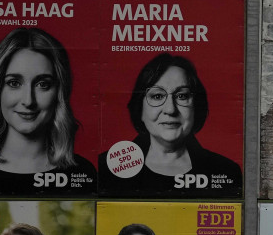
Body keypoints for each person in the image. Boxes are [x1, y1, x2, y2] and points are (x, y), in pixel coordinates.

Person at [0, 27, 94, 191]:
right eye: (14, 83)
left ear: (59, 93)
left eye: (43, 84)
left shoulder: (82, 172)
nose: (28, 100)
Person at [99, 53, 241, 195]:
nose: (170, 109)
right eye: (157, 96)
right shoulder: (106, 168)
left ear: (196, 107)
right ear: (140, 108)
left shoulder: (226, 171)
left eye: (182, 96)